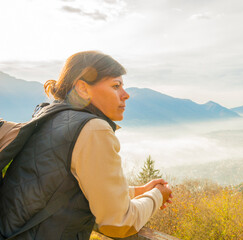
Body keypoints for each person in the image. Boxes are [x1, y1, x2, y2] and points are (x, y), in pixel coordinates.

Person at [0, 51, 172, 239]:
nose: (126, 94)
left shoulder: (49, 116)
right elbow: (120, 222)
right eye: (116, 85)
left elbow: (59, 187)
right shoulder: (93, 129)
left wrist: (137, 191)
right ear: (83, 89)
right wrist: (157, 195)